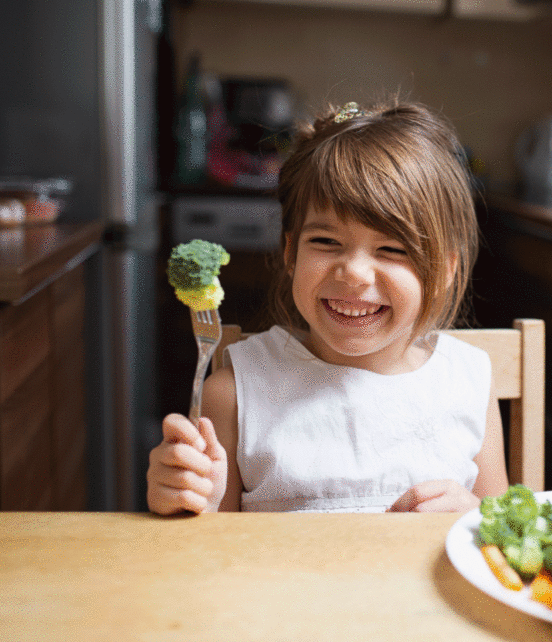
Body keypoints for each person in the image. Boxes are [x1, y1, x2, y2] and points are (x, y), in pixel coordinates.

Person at [147, 99, 509, 514]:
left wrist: (473, 516)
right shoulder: (233, 394)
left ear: (445, 270)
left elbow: (504, 541)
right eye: (325, 241)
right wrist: (184, 499)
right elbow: (202, 555)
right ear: (291, 253)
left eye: (391, 249)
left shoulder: (467, 383)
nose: (354, 272)